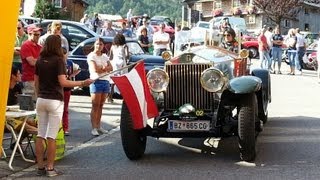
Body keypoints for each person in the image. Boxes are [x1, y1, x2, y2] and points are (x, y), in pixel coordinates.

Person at [34, 35, 93, 177]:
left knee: (40, 134)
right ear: (57, 45)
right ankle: (50, 168)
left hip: (41, 99)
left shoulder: (40, 60)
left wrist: (38, 95)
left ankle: (40, 167)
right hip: (54, 100)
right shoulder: (59, 61)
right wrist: (82, 83)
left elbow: (36, 82)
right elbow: (63, 82)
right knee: (51, 136)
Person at [87, 37, 113, 136]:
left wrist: (103, 68)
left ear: (103, 46)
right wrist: (104, 68)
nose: (99, 46)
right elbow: (95, 69)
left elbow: (111, 67)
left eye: (101, 44)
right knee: (95, 105)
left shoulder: (105, 56)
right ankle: (93, 127)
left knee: (101, 105)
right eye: (97, 44)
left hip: (106, 81)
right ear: (94, 45)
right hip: (96, 81)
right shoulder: (91, 56)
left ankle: (98, 126)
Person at [7, 66, 37, 147]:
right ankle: (42, 135)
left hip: (15, 114)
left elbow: (20, 102)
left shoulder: (18, 87)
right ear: (13, 76)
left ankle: (17, 143)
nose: (21, 75)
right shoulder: (4, 88)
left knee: (32, 122)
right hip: (6, 119)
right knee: (26, 126)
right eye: (19, 73)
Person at [62, 46, 81, 136]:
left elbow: (79, 69)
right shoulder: (57, 62)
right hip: (58, 89)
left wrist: (71, 75)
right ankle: (59, 127)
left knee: (65, 109)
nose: (63, 55)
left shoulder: (69, 63)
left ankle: (65, 127)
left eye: (64, 53)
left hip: (67, 89)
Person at [20, 24, 43, 101]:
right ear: (29, 34)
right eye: (35, 34)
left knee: (38, 103)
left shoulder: (40, 47)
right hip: (29, 79)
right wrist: (43, 61)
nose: (38, 36)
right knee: (30, 104)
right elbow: (32, 62)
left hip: (38, 79)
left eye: (39, 34)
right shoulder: (26, 45)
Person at [109, 34, 129, 103]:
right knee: (123, 80)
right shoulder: (124, 46)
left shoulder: (113, 46)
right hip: (122, 64)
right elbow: (127, 55)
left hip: (114, 63)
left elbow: (110, 56)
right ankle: (125, 97)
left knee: (113, 81)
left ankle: (110, 97)